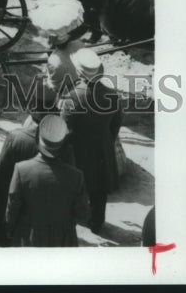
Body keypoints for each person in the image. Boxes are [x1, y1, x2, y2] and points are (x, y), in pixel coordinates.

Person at [60, 48, 122, 234]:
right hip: (103, 148)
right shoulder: (113, 94)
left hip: (79, 149)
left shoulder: (72, 96)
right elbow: (116, 124)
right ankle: (97, 222)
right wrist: (106, 140)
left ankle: (76, 216)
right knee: (99, 189)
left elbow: (65, 128)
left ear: (79, 72)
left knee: (77, 186)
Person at [5, 115, 90, 246]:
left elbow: (12, 210)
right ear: (62, 143)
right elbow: (82, 215)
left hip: (30, 238)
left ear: (38, 138)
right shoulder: (76, 176)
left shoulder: (21, 170)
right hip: (64, 240)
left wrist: (10, 231)